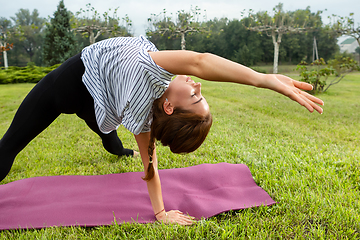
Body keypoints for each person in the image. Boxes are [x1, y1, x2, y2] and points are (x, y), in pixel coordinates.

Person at [0, 36, 324, 225]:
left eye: (196, 95)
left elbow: (199, 61)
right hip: (98, 96)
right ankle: (112, 146)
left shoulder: (150, 70)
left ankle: (110, 145)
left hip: (67, 86)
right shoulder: (148, 120)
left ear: (170, 107)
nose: (197, 84)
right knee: (110, 140)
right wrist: (160, 212)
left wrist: (264, 79)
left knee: (11, 142)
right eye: (202, 92)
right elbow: (150, 166)